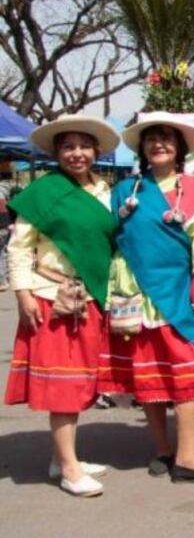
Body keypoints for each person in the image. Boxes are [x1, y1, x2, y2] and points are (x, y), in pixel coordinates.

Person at [98, 112, 194, 483]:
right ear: (142, 148)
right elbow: (114, 241)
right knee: (149, 375)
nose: (159, 144)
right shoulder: (127, 190)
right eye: (151, 138)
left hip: (177, 294)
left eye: (167, 139)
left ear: (179, 149)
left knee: (189, 373)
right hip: (135, 292)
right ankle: (161, 449)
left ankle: (188, 456)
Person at [4, 115, 119, 497]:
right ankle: (70, 469)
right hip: (50, 299)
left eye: (84, 146)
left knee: (82, 380)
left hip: (91, 299)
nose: (77, 153)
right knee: (64, 386)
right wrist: (22, 294)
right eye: (68, 147)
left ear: (96, 151)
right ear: (56, 153)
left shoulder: (105, 191)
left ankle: (61, 458)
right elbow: (19, 247)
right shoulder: (43, 192)